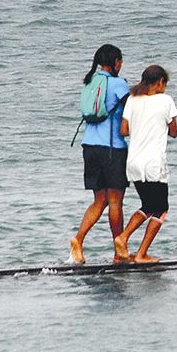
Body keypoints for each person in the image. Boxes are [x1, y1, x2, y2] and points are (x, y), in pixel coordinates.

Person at [70, 44, 131, 264]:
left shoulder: (90, 81)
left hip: (89, 146)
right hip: (112, 148)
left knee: (100, 200)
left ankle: (78, 240)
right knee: (115, 201)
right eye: (121, 61)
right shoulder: (118, 84)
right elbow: (133, 108)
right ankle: (119, 250)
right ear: (115, 62)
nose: (121, 65)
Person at [114, 65, 177, 264]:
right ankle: (140, 252)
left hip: (134, 163)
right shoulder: (166, 100)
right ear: (160, 82)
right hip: (153, 164)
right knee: (162, 209)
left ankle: (123, 238)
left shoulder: (133, 100)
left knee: (148, 206)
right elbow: (174, 132)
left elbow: (124, 130)